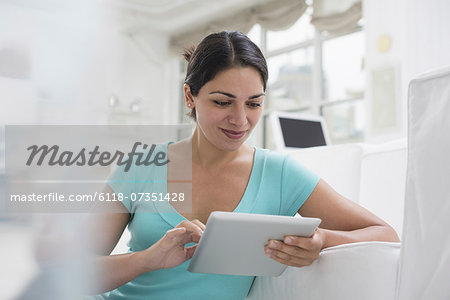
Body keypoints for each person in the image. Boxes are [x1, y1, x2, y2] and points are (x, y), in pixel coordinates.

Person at [87, 31, 399, 300]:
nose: (240, 119)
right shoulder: (143, 165)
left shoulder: (279, 174)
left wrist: (321, 240)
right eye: (223, 102)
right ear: (189, 97)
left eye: (253, 103)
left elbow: (385, 234)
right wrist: (146, 259)